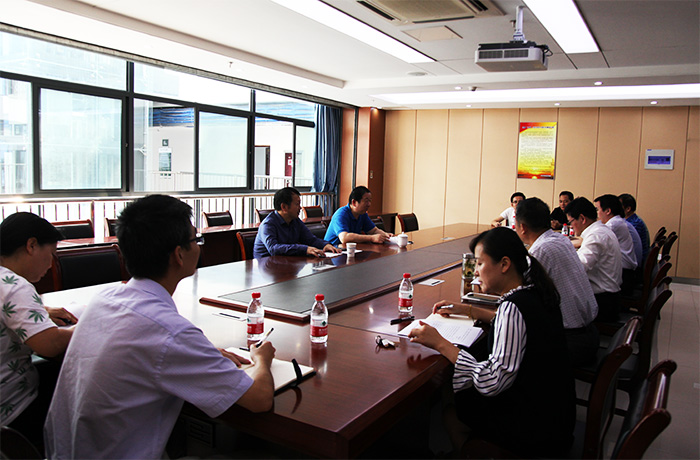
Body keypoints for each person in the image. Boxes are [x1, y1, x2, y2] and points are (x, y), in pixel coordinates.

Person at [44, 195, 275, 459]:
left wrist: (198, 353)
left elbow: (149, 347)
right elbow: (259, 400)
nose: (199, 246)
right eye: (196, 239)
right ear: (179, 254)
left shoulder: (103, 300)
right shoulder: (170, 332)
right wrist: (261, 359)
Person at [408, 227, 575, 457]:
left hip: (533, 430)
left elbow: (492, 381)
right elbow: (515, 326)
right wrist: (468, 310)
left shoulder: (513, 308)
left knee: (450, 412)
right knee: (458, 385)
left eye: (479, 263)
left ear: (504, 264)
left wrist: (441, 343)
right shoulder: (537, 290)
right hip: (554, 414)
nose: (475, 271)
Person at [0, 213, 76, 453]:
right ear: (31, 245)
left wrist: (40, 311)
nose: (51, 264)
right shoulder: (15, 287)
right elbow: (50, 345)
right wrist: (88, 324)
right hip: (12, 410)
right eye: (51, 254)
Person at [515, 198, 599, 366]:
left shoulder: (540, 250)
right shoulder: (560, 239)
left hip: (570, 342)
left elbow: (518, 294)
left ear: (522, 227)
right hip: (590, 333)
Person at [565, 197, 622, 322]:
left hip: (603, 301)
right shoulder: (600, 230)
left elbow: (579, 267)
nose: (571, 226)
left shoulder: (596, 235)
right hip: (608, 295)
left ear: (582, 218)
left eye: (571, 222)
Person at [253, 187, 340, 258]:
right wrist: (305, 249)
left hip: (286, 263)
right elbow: (274, 249)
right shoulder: (268, 224)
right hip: (266, 266)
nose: (300, 208)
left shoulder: (295, 221)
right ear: (284, 207)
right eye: (297, 204)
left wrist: (325, 245)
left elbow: (310, 239)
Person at [594, 194, 637, 295]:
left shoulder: (613, 224)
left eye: (597, 209)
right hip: (625, 270)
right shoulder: (617, 221)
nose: (596, 213)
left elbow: (596, 238)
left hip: (625, 273)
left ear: (608, 211)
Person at [324, 186, 393, 246]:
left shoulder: (362, 214)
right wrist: (371, 238)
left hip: (351, 250)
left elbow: (373, 231)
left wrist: (385, 235)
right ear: (354, 202)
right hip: (333, 251)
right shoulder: (341, 214)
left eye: (370, 201)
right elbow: (344, 238)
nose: (369, 204)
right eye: (366, 201)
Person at [619, 193, 650, 273]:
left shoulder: (634, 224)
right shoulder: (633, 220)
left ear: (628, 209)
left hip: (636, 266)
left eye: (619, 206)